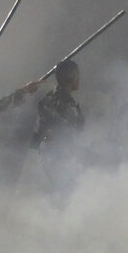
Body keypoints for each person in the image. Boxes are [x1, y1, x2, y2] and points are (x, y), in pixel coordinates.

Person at [31, 59, 84, 201]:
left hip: (44, 153)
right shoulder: (68, 104)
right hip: (60, 156)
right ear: (72, 77)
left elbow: (36, 133)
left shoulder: (48, 98)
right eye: (77, 75)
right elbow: (71, 134)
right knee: (66, 197)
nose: (79, 79)